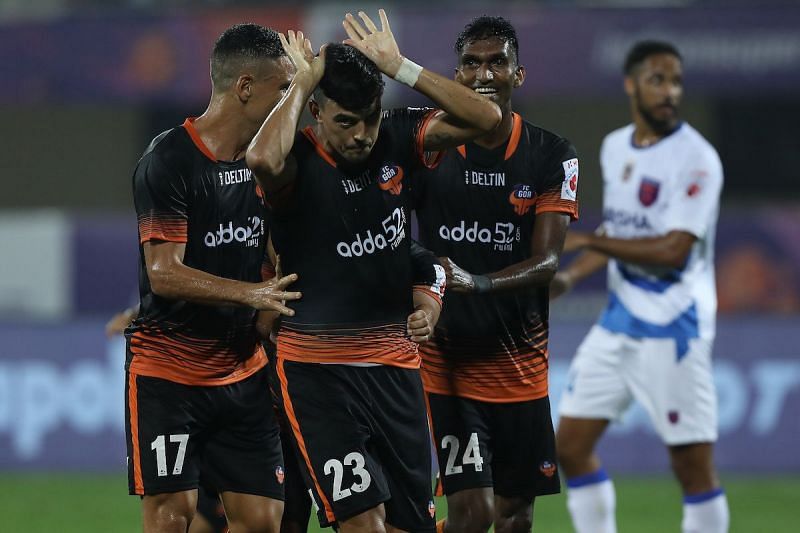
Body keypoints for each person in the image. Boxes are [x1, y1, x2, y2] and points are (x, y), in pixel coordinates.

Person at [245, 10, 502, 532]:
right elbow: (260, 161)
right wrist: (303, 79)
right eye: (345, 121)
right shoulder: (296, 160)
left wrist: (401, 67)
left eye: (370, 118)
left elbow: (487, 120)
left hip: (396, 368)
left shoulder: (399, 138)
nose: (362, 134)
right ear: (315, 111)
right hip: (318, 372)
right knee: (363, 524)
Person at [126, 23, 303, 533]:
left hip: (241, 371)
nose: (289, 100)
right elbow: (163, 273)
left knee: (265, 520)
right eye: (283, 88)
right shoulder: (169, 159)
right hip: (168, 374)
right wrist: (254, 293)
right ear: (246, 88)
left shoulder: (267, 163)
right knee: (171, 517)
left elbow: (272, 240)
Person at [408, 16, 579, 533]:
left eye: (496, 61)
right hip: (448, 361)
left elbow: (548, 262)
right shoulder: (426, 146)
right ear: (456, 75)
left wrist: (477, 282)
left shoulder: (552, 154)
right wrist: (429, 278)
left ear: (518, 74)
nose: (484, 73)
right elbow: (391, 226)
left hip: (520, 365)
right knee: (472, 512)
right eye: (472, 63)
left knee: (514, 514)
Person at [553, 40, 728, 533]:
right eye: (658, 79)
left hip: (675, 329)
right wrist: (572, 275)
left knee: (691, 468)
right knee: (569, 446)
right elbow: (620, 235)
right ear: (631, 84)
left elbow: (674, 249)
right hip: (617, 323)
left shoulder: (697, 159)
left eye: (676, 81)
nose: (670, 91)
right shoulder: (614, 148)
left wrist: (582, 240)